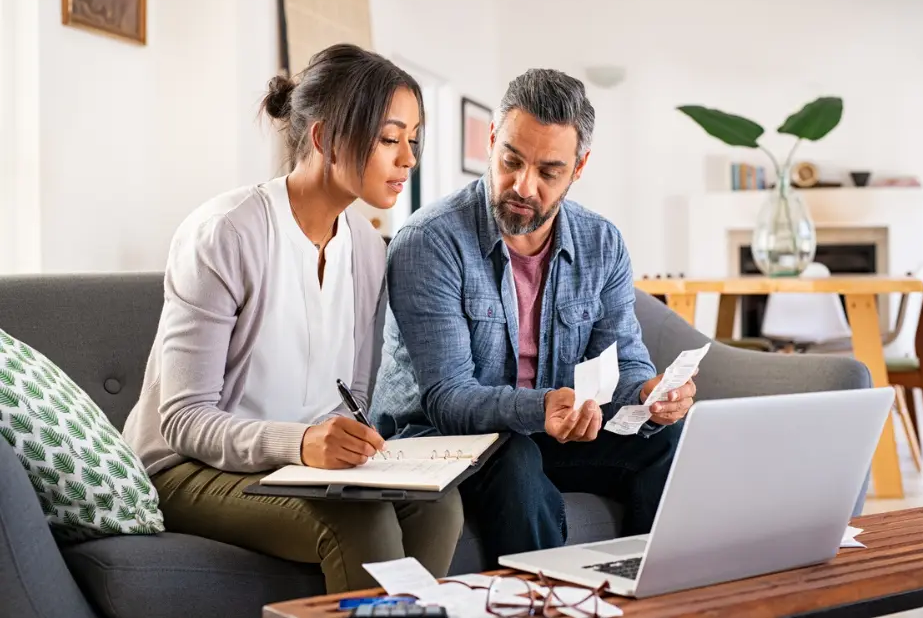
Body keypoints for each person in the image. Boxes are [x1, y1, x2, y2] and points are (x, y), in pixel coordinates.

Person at [122, 44, 464, 593]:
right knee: (363, 520)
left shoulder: (371, 252)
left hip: (298, 469)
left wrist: (358, 447)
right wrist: (302, 443)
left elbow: (349, 395)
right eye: (389, 138)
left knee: (439, 506)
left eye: (413, 140)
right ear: (325, 138)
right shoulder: (226, 234)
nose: (408, 159)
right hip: (187, 469)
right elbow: (183, 420)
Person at [369, 68, 696, 562]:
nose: (523, 186)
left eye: (548, 172)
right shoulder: (430, 241)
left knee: (668, 439)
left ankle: (647, 597)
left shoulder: (601, 243)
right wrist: (543, 409)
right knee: (516, 455)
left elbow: (625, 361)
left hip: (547, 429)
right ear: (493, 140)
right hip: (437, 438)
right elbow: (446, 398)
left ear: (578, 168)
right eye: (511, 161)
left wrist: (650, 394)